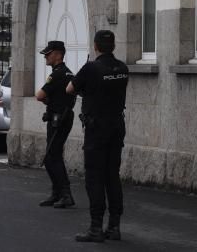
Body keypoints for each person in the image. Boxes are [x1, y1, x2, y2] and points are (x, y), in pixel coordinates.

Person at [66, 30, 129, 243]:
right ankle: (114, 226)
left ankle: (95, 228)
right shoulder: (122, 68)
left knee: (94, 177)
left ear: (95, 46)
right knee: (112, 176)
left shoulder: (91, 68)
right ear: (113, 45)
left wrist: (86, 90)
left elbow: (69, 89)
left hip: (97, 129)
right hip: (116, 126)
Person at [35, 40, 76, 208]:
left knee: (53, 157)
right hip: (63, 117)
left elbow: (39, 95)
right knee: (53, 155)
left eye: (49, 53)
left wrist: (48, 101)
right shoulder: (68, 73)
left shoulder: (57, 74)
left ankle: (65, 194)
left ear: (58, 54)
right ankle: (57, 193)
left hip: (58, 119)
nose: (46, 56)